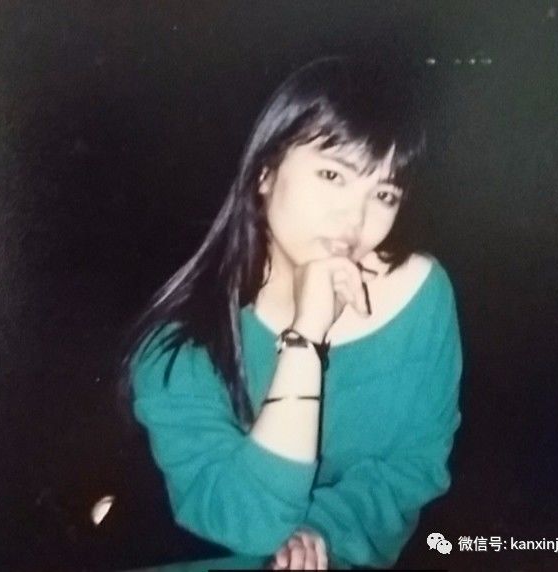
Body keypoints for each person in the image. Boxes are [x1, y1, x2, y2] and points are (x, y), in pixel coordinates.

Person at [119, 56, 463, 570]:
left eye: (384, 194)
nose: (355, 218)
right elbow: (246, 519)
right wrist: (306, 338)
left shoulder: (420, 295)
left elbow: (414, 467)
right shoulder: (180, 342)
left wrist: (319, 533)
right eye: (332, 174)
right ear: (265, 172)